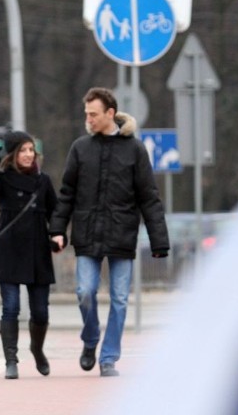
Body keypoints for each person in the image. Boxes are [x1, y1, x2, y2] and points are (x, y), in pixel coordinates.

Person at [49, 87, 169, 377]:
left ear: (110, 114)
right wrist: (57, 230)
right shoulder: (80, 148)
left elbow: (148, 197)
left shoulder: (135, 150)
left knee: (119, 298)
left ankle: (109, 357)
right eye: (86, 114)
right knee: (84, 292)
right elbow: (67, 194)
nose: (88, 119)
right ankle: (90, 340)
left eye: (93, 114)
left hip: (122, 234)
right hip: (87, 234)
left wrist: (159, 240)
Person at [0, 131, 59, 380]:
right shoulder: (3, 179)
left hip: (37, 252)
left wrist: (58, 234)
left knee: (40, 312)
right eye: (23, 150)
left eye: (31, 150)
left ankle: (37, 349)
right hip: (9, 251)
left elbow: (55, 213)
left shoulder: (43, 181)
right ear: (13, 154)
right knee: (11, 307)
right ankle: (11, 360)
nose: (28, 155)